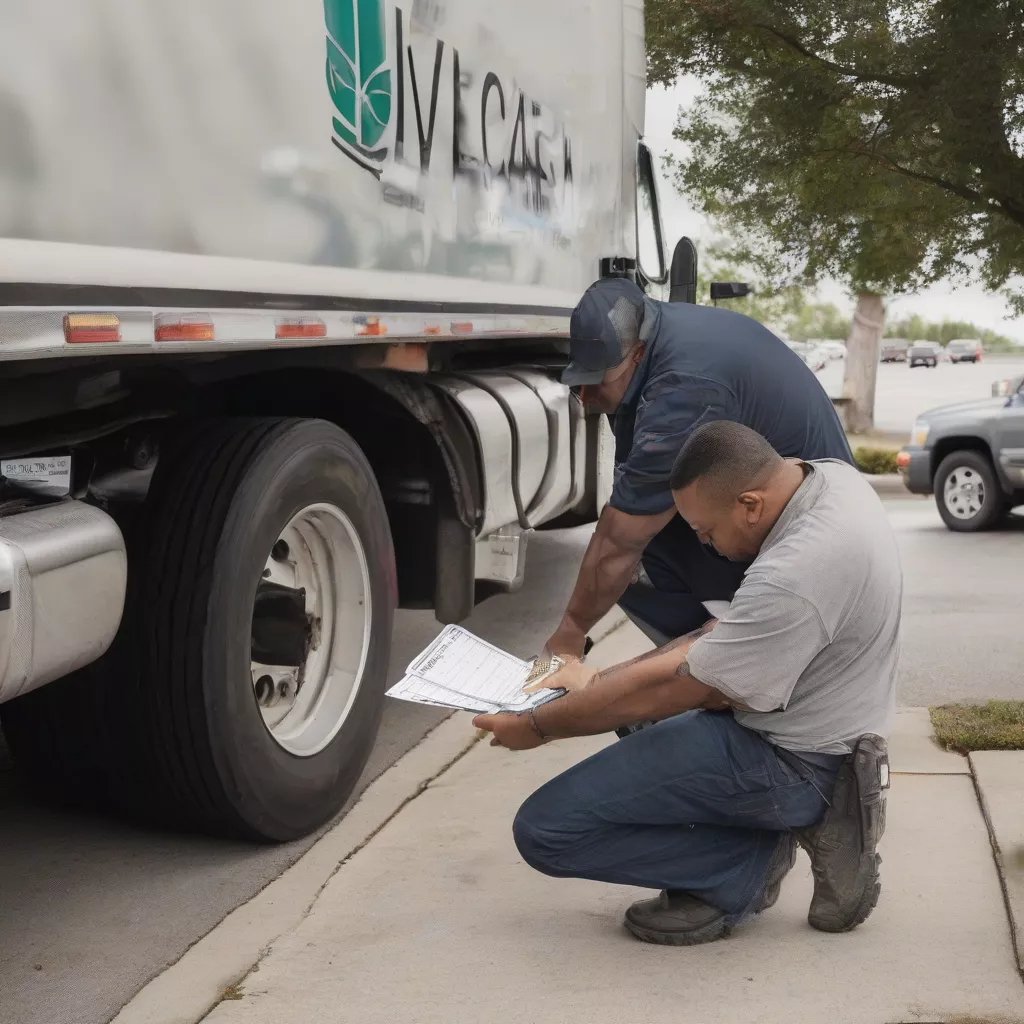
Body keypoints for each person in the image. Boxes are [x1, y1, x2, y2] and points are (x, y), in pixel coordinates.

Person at [474, 421, 900, 945]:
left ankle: (739, 866)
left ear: (749, 504)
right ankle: (766, 830)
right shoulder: (832, 483)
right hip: (819, 727)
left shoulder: (798, 572)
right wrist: (591, 680)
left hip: (796, 763)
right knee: (622, 700)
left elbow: (681, 687)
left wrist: (537, 726)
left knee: (545, 831)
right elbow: (712, 642)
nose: (707, 547)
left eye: (706, 532)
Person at [538, 277, 853, 667]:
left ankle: (724, 672)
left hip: (812, 537)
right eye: (577, 385)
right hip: (801, 504)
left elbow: (620, 539)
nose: (586, 399)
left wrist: (567, 636)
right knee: (629, 555)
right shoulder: (662, 332)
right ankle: (709, 666)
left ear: (637, 354)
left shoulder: (682, 387)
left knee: (627, 559)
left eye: (596, 382)